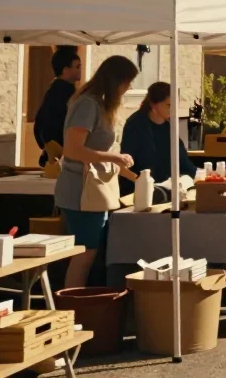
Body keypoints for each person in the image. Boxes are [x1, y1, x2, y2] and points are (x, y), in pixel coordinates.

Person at [56, 55, 138, 288]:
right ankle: (71, 309)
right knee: (84, 255)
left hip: (94, 190)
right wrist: (114, 156)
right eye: (127, 82)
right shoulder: (87, 104)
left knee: (88, 255)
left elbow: (97, 154)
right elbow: (73, 149)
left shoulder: (99, 105)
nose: (128, 88)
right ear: (115, 81)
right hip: (80, 191)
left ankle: (75, 306)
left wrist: (134, 177)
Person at [118, 83, 197, 197]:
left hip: (165, 190)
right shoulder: (135, 125)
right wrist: (141, 182)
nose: (173, 110)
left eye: (175, 105)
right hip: (137, 193)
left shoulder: (169, 127)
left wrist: (206, 175)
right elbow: (125, 165)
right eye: (168, 105)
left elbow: (184, 163)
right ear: (153, 104)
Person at [33, 46, 81, 166]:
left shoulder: (56, 91)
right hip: (63, 158)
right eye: (77, 67)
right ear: (65, 70)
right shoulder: (62, 93)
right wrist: (52, 148)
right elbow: (45, 123)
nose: (80, 70)